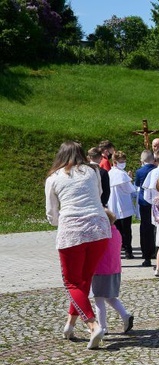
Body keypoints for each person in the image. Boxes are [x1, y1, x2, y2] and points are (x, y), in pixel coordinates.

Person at [45, 141, 111, 349]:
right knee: (84, 280)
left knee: (72, 282)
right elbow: (99, 196)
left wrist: (60, 221)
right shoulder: (93, 172)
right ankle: (70, 324)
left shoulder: (54, 178)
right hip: (99, 229)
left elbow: (51, 213)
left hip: (72, 232)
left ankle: (93, 325)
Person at [93, 210, 134, 335]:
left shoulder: (100, 235)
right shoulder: (116, 232)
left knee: (98, 298)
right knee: (110, 297)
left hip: (100, 270)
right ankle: (125, 315)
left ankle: (102, 327)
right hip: (114, 269)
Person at [107, 150, 136, 259]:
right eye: (121, 161)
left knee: (117, 230)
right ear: (114, 162)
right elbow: (129, 189)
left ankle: (118, 251)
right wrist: (130, 179)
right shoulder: (122, 175)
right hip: (124, 206)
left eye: (124, 161)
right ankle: (128, 251)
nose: (123, 163)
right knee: (126, 231)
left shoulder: (109, 173)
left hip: (113, 206)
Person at [134, 150, 157, 267]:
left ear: (142, 160)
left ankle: (146, 254)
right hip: (156, 202)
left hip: (144, 202)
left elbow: (137, 184)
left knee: (145, 228)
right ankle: (156, 251)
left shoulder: (140, 171)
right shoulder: (156, 170)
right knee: (156, 227)